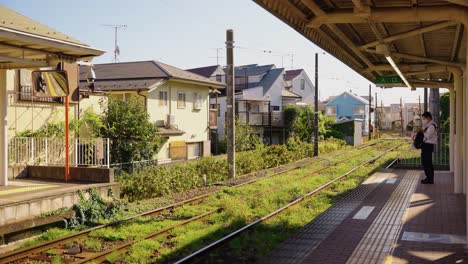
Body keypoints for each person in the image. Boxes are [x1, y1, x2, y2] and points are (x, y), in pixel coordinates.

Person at [420, 112, 438, 184]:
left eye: (424, 118)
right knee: (425, 162)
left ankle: (430, 179)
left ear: (428, 118)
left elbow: (428, 136)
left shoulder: (432, 126)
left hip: (428, 146)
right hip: (426, 145)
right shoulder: (428, 125)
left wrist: (422, 131)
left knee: (428, 163)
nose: (424, 120)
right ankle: (428, 178)